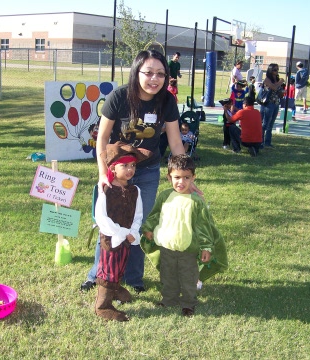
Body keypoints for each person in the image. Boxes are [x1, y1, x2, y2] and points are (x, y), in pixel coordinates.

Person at [80, 49, 199, 294]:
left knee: (138, 222)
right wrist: (104, 173)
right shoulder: (119, 97)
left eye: (160, 74)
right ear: (137, 72)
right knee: (109, 222)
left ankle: (134, 277)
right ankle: (97, 274)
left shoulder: (166, 101)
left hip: (147, 171)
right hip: (116, 171)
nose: (154, 79)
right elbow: (101, 138)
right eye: (148, 73)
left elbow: (176, 143)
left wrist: (186, 176)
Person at [142, 154, 228, 317]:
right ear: (169, 177)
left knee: (188, 278)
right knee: (167, 276)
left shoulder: (196, 201)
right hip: (166, 247)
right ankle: (169, 299)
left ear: (193, 178)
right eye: (177, 177)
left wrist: (206, 247)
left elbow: (203, 226)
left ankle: (188, 303)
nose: (181, 182)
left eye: (186, 177)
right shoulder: (165, 196)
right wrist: (148, 228)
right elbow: (154, 215)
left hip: (188, 249)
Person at [94, 142, 151, 321]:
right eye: (124, 165)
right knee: (108, 269)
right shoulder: (106, 190)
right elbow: (101, 217)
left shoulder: (135, 191)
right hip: (111, 238)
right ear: (113, 167)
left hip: (127, 237)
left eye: (133, 165)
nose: (130, 170)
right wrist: (120, 232)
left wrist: (133, 231)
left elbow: (138, 214)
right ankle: (102, 305)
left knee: (120, 265)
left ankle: (115, 288)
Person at [260, 63, 285, 148]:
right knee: (265, 123)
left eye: (277, 69)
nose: (277, 71)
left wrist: (282, 92)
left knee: (271, 124)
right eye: (275, 70)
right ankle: (260, 141)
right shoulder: (267, 79)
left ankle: (268, 142)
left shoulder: (277, 80)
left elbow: (278, 91)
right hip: (268, 103)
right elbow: (273, 87)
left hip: (276, 103)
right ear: (270, 70)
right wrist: (280, 82)